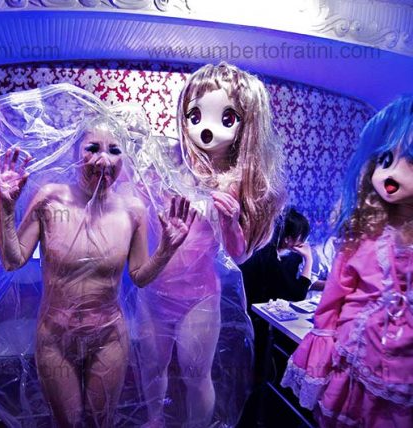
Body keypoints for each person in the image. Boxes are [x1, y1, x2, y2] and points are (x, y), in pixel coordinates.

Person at [0, 116, 196, 427]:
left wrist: (166, 249)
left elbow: (140, 276)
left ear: (124, 158)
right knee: (68, 423)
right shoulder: (51, 198)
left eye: (114, 150)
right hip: (56, 337)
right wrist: (5, 208)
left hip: (108, 337)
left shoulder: (133, 210)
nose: (104, 160)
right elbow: (13, 260)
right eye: (93, 148)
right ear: (76, 153)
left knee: (100, 423)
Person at [135, 62, 285, 427]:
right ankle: (154, 422)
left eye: (227, 118)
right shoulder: (167, 164)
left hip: (198, 296)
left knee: (196, 375)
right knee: (151, 369)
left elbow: (239, 254)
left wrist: (231, 221)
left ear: (245, 124)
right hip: (153, 289)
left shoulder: (235, 181)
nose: (206, 128)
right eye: (195, 115)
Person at [281, 95, 413, 427]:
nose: (391, 174)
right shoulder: (362, 233)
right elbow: (334, 295)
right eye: (385, 159)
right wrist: (323, 343)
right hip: (355, 357)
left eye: (409, 161)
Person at [241, 206, 313, 306]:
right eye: (302, 237)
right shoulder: (267, 255)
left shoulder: (291, 257)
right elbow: (298, 294)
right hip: (252, 310)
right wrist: (309, 259)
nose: (303, 242)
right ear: (287, 239)